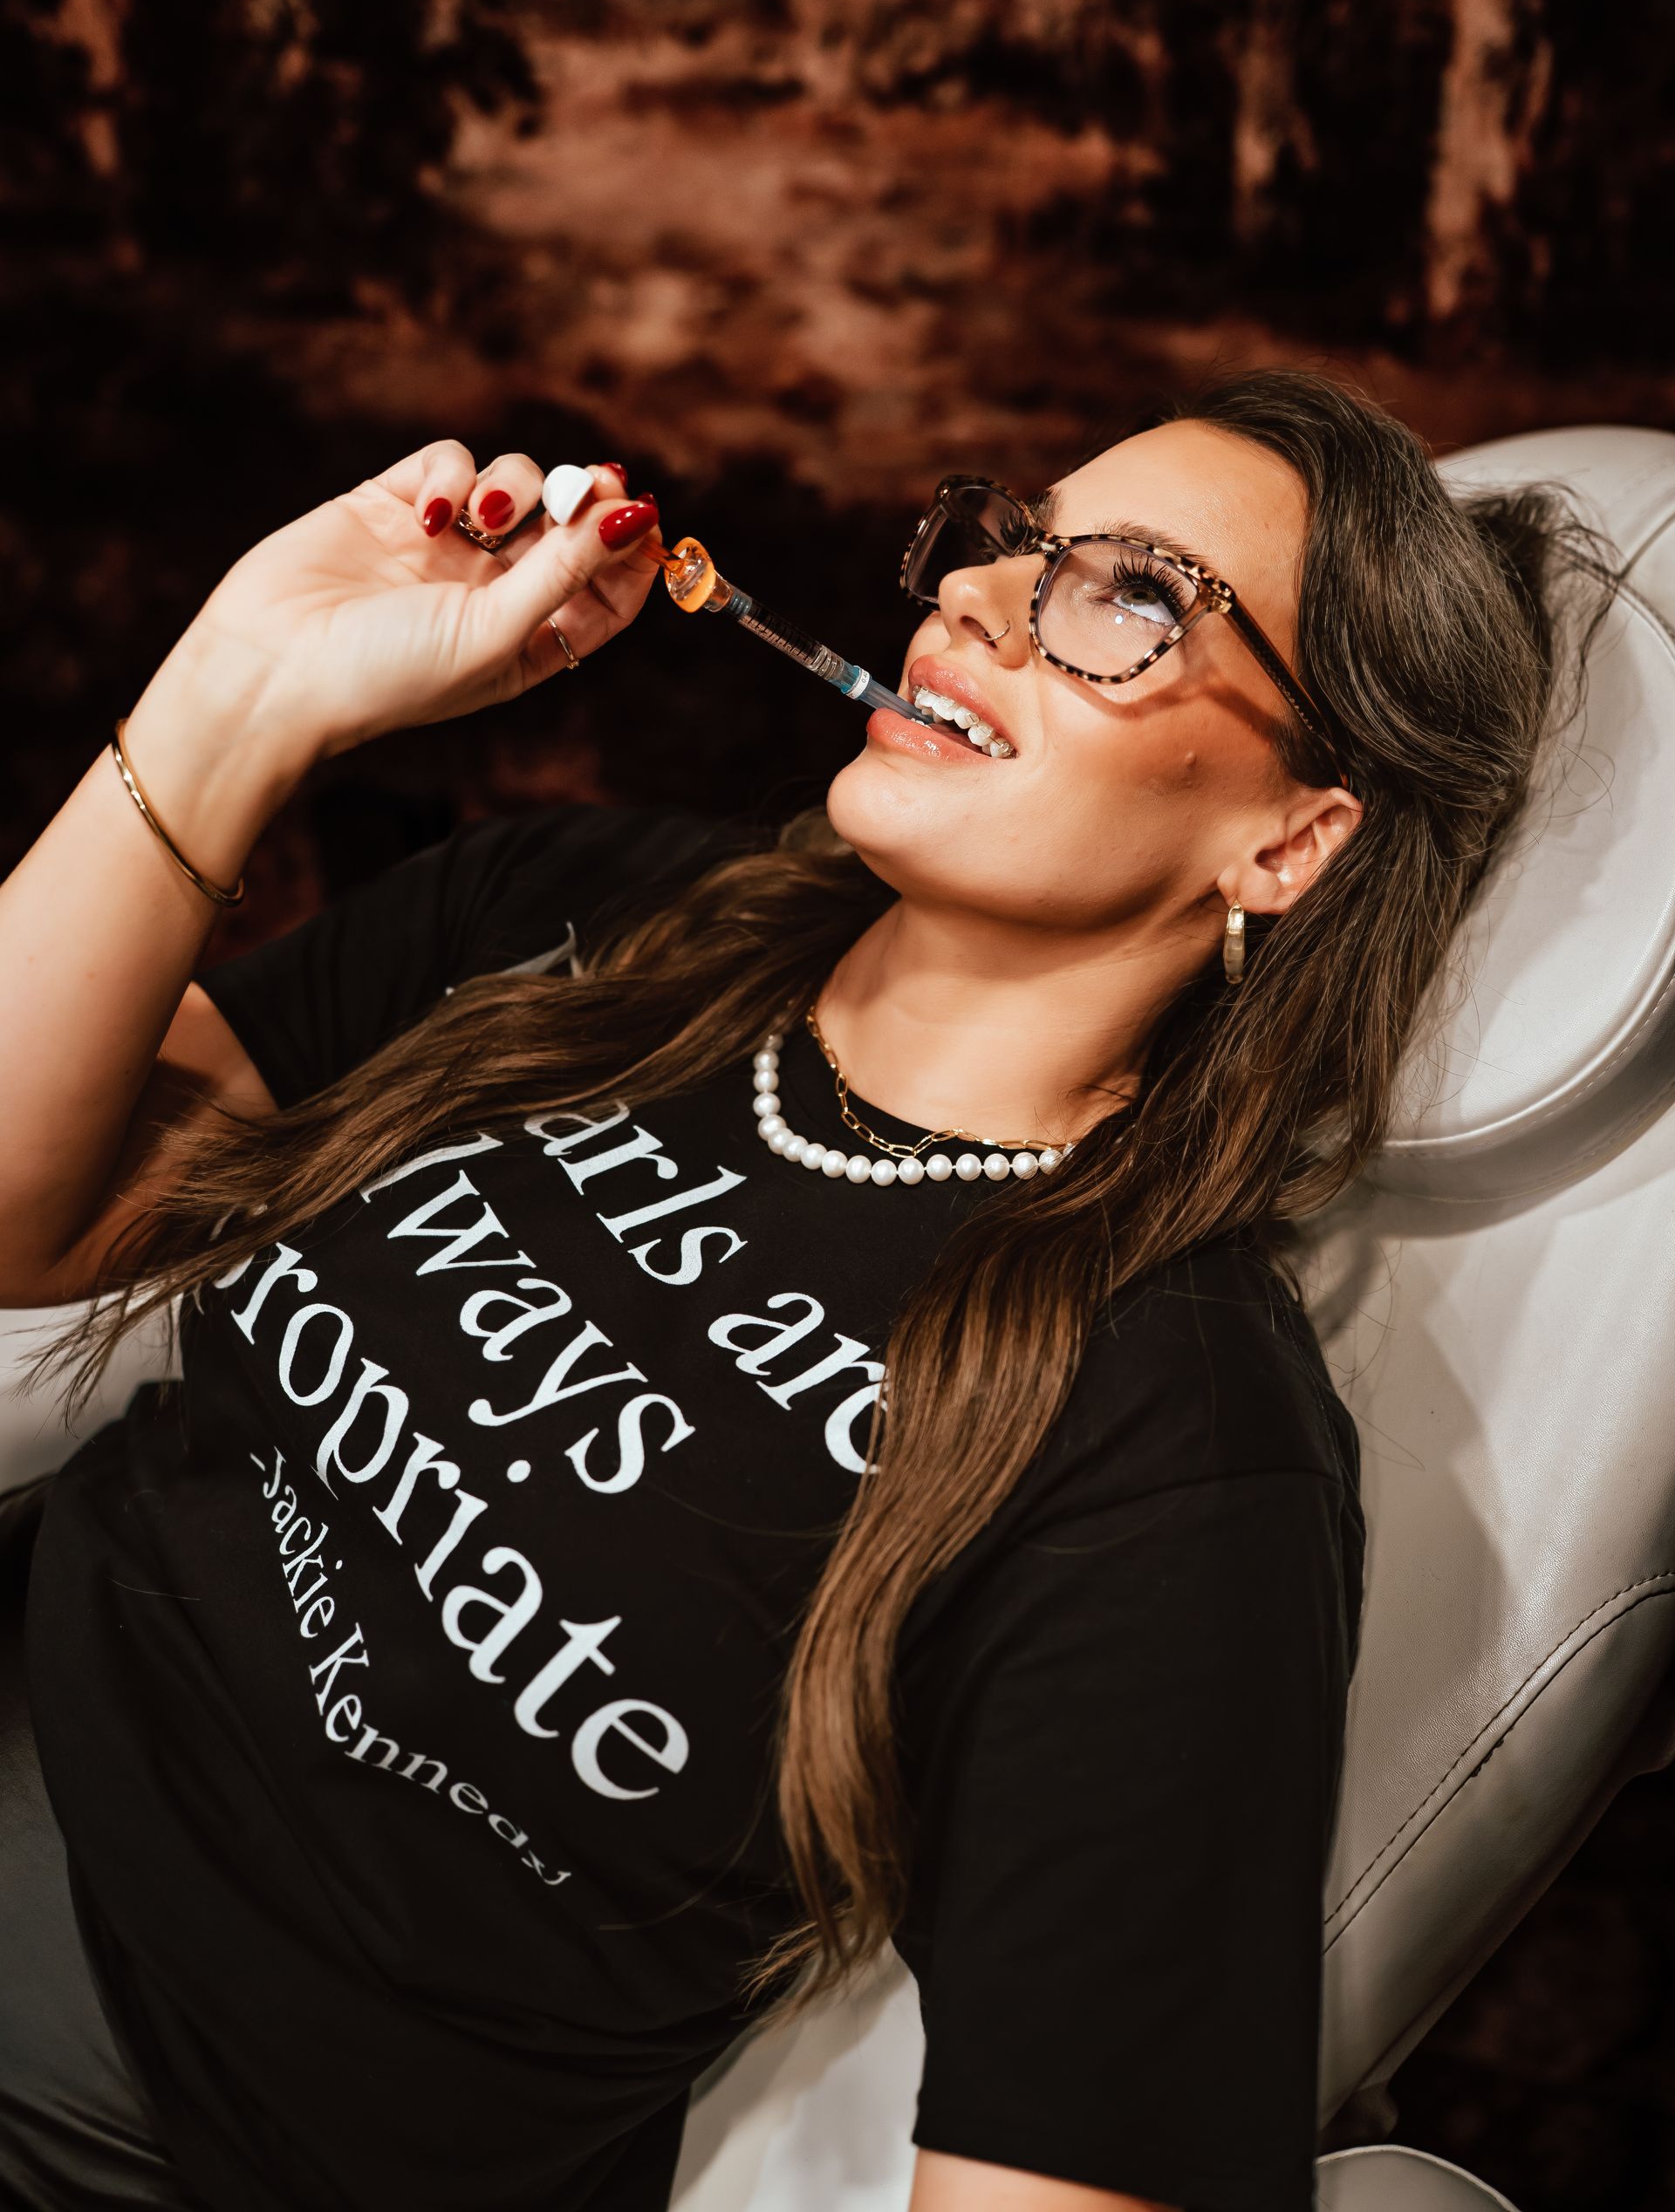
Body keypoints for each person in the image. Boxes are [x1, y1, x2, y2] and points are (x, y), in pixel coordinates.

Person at [0, 372, 1576, 2212]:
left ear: (1291, 842)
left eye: (1130, 597)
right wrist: (242, 691)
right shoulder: (594, 914)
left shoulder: (1169, 1428)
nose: (977, 600)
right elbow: (28, 1226)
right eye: (1006, 540)